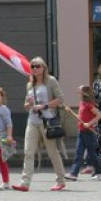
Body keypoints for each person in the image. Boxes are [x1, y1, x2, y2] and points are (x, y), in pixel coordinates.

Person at [15, 57, 66, 192]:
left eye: (37, 66)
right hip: (32, 120)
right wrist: (29, 104)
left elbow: (60, 99)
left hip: (47, 121)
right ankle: (25, 183)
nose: (35, 69)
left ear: (44, 67)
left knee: (52, 152)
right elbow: (26, 105)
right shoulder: (30, 84)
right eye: (32, 66)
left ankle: (61, 180)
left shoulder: (51, 81)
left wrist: (44, 106)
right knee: (28, 152)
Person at [65, 85, 101, 181]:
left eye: (79, 91)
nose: (78, 93)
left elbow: (99, 115)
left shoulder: (88, 104)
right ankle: (74, 174)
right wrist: (70, 112)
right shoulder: (82, 103)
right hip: (81, 131)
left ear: (84, 93)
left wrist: (90, 123)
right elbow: (80, 118)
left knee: (92, 154)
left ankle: (100, 172)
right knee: (78, 153)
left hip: (88, 132)